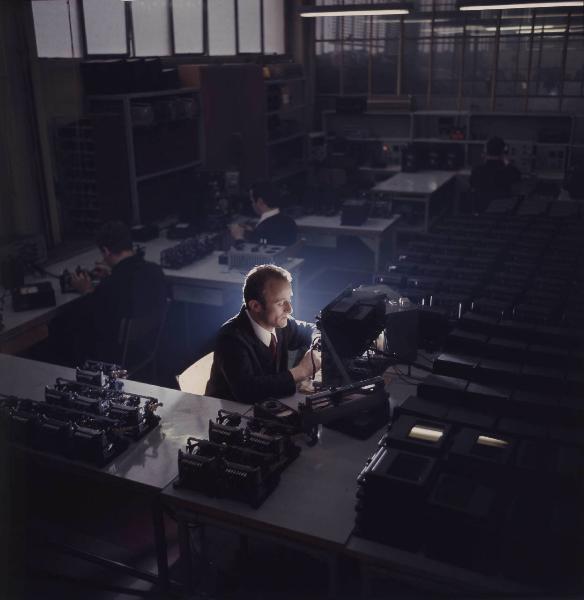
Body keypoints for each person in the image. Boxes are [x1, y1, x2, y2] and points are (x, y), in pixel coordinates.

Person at [205, 264, 320, 404]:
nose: (289, 310)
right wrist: (301, 371)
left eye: (288, 301)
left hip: (266, 406)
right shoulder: (230, 338)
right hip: (230, 414)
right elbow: (247, 391)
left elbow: (313, 329)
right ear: (255, 306)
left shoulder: (279, 322)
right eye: (280, 303)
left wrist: (317, 343)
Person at [68, 220, 168, 363]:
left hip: (118, 358)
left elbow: (94, 320)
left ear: (106, 251)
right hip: (147, 349)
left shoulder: (110, 286)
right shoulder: (155, 270)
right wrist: (112, 274)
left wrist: (86, 290)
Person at [229, 181, 298, 246]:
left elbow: (251, 257)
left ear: (260, 202)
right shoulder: (289, 221)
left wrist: (238, 237)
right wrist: (253, 232)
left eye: (252, 201)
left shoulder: (264, 229)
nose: (252, 204)